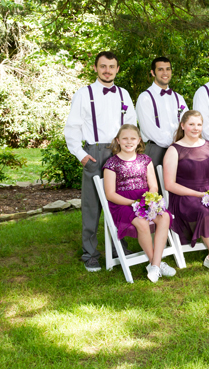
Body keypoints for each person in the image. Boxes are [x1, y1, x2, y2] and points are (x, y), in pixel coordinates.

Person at [64, 51, 137, 272]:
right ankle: (90, 253)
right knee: (92, 205)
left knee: (119, 201)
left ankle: (119, 247)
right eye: (103, 66)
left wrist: (129, 150)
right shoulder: (84, 94)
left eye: (112, 66)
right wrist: (81, 154)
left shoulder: (124, 94)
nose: (107, 70)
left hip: (119, 152)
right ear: (95, 68)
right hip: (94, 151)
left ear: (117, 69)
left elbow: (131, 124)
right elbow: (72, 127)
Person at [163, 110, 209, 273]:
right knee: (205, 211)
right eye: (191, 124)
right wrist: (199, 195)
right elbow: (169, 184)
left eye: (199, 124)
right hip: (185, 196)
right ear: (183, 126)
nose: (195, 128)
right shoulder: (174, 150)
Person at [102, 125, 176, 283]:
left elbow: (154, 186)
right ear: (118, 141)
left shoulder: (145, 160)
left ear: (139, 141)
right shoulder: (111, 163)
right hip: (123, 204)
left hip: (145, 199)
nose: (129, 142)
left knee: (164, 217)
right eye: (125, 139)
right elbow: (110, 194)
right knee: (142, 223)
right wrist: (134, 203)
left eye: (132, 138)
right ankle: (157, 264)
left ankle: (154, 265)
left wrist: (149, 199)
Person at [136, 57, 188, 172]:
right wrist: (174, 145)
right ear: (153, 72)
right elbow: (148, 129)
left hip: (179, 150)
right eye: (160, 69)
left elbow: (188, 123)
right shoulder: (145, 98)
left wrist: (181, 146)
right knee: (156, 188)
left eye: (168, 69)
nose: (165, 73)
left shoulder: (178, 98)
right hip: (155, 150)